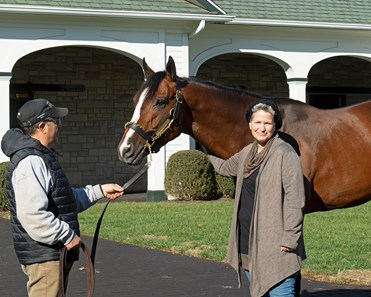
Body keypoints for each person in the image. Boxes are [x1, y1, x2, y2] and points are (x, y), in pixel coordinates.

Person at [1, 98, 124, 297]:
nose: (59, 125)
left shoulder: (41, 156)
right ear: (42, 127)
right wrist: (65, 235)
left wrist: (100, 190)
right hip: (45, 258)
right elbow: (32, 214)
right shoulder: (31, 161)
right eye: (55, 121)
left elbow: (63, 199)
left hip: (52, 255)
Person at [209, 99, 306, 297]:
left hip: (276, 247)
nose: (262, 128)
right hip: (248, 245)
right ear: (250, 124)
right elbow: (226, 168)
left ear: (275, 125)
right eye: (257, 122)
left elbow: (296, 200)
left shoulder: (285, 154)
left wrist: (290, 238)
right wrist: (201, 156)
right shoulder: (248, 153)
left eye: (267, 123)